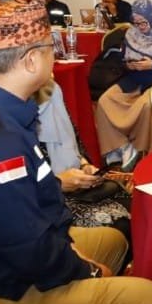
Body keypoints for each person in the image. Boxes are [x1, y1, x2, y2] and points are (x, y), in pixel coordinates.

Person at [0, 0, 152, 304]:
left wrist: (70, 253)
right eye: (51, 48)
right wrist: (87, 271)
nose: (56, 55)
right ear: (31, 60)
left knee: (111, 240)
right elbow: (26, 248)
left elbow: (28, 221)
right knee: (146, 303)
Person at [35, 79, 131, 241]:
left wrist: (84, 165)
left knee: (134, 206)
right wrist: (59, 183)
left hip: (78, 187)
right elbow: (21, 190)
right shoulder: (13, 121)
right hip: (49, 203)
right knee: (119, 223)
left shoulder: (51, 90)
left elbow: (74, 143)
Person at [95, 0, 152, 170]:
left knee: (145, 106)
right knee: (105, 100)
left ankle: (142, 151)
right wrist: (128, 65)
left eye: (143, 22)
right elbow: (121, 59)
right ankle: (121, 146)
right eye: (136, 23)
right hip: (134, 78)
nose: (140, 27)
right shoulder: (131, 33)